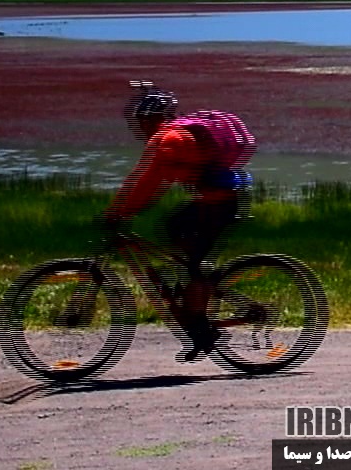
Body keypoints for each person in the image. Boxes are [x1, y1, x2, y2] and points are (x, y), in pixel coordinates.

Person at [100, 81, 255, 362]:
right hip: (216, 201)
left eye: (141, 120)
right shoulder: (172, 135)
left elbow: (149, 182)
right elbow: (142, 177)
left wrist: (119, 213)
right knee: (172, 229)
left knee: (192, 262)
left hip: (218, 205)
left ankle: (200, 326)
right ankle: (196, 291)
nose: (140, 126)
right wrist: (121, 208)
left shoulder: (169, 140)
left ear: (148, 119)